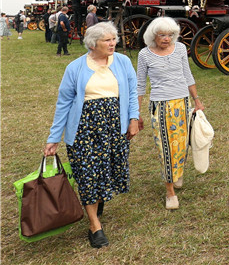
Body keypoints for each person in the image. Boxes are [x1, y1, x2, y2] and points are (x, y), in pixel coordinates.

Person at [44, 22, 140, 249]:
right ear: (92, 43)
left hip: (114, 127)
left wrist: (133, 119)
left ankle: (97, 200)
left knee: (106, 169)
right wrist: (54, 137)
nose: (112, 43)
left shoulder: (124, 62)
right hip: (84, 129)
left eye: (113, 39)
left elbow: (132, 92)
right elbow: (64, 103)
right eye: (107, 40)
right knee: (87, 173)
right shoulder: (75, 67)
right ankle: (94, 225)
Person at [136, 17, 205, 210]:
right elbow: (140, 85)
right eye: (162, 35)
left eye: (170, 35)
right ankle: (170, 191)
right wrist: (137, 112)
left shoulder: (181, 49)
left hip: (182, 102)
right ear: (153, 36)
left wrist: (196, 100)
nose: (167, 39)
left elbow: (187, 75)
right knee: (165, 147)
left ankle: (177, 172)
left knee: (182, 144)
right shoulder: (145, 55)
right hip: (161, 106)